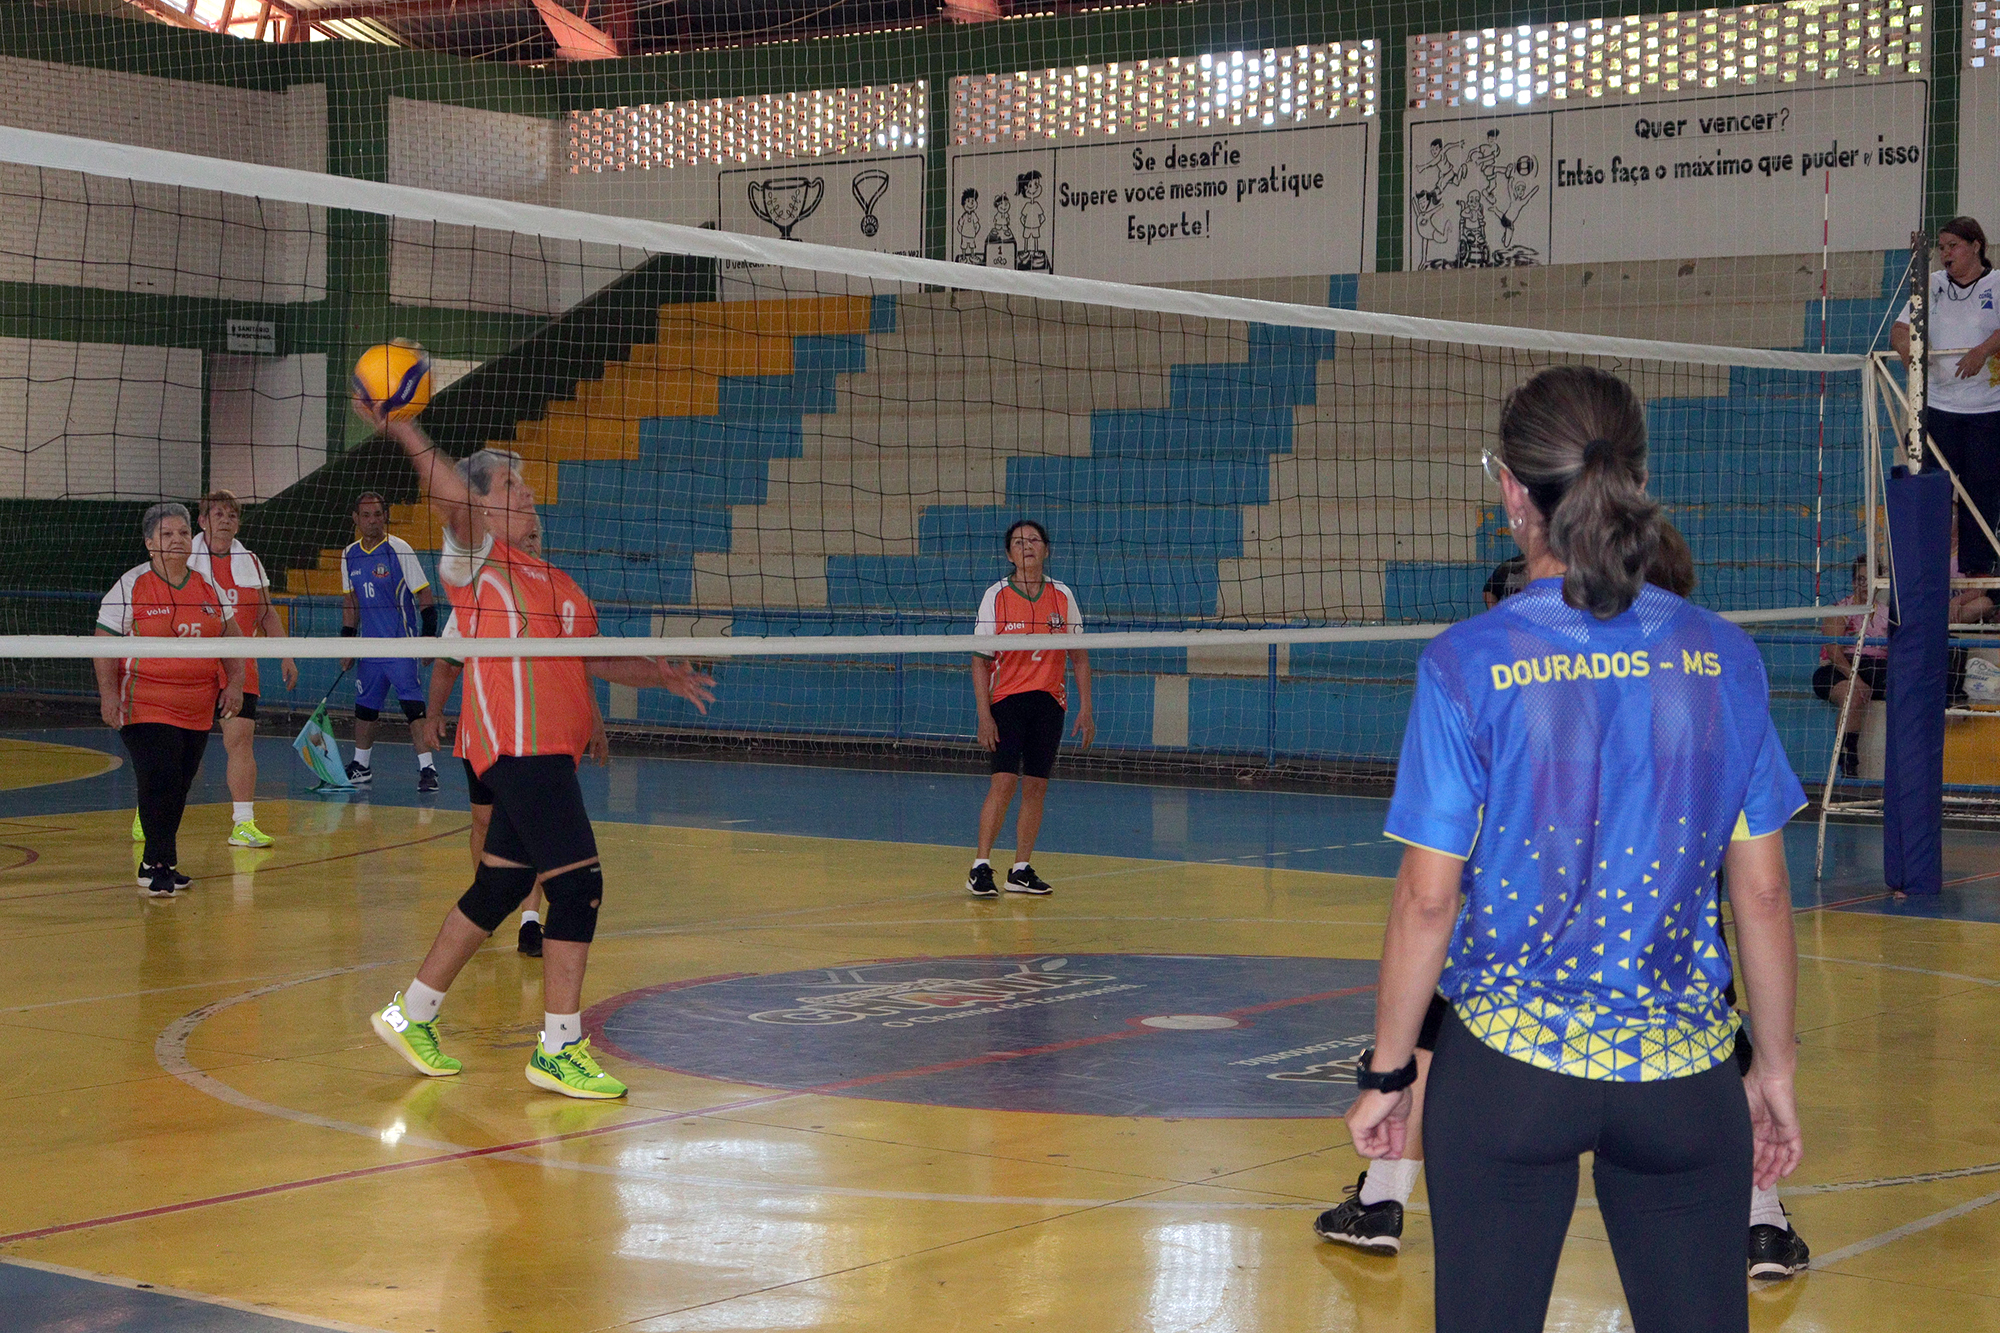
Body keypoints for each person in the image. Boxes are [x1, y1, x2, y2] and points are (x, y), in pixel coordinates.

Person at [1343, 366, 1804, 1333]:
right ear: (1636, 478)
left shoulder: (1467, 660)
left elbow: (1427, 900)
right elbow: (1761, 895)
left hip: (1507, 1071)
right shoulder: (1726, 655)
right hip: (1685, 1075)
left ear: (1512, 491)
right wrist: (1774, 1071)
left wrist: (1389, 1074)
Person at [362, 409, 714, 1099]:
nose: (527, 494)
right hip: (517, 750)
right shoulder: (478, 567)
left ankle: (412, 1011)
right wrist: (403, 427)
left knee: (499, 888)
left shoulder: (557, 581)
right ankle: (559, 1047)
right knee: (578, 888)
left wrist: (662, 674)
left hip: (552, 753)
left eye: (525, 487)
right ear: (480, 507)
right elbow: (451, 496)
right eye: (510, 487)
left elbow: (594, 658)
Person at [425, 528, 611, 960]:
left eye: (536, 536)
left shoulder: (556, 594)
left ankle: (530, 920)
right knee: (484, 824)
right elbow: (446, 665)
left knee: (538, 836)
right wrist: (433, 714)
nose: (531, 543)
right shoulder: (478, 596)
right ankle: (484, 913)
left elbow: (581, 666)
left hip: (540, 743)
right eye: (522, 536)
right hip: (486, 736)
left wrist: (596, 723)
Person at [95, 503, 248, 898]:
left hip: (197, 705)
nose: (177, 540)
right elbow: (103, 645)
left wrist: (235, 683)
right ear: (150, 543)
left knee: (179, 783)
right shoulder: (131, 585)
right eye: (167, 534)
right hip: (145, 702)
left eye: (182, 532)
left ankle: (155, 861)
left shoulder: (207, 587)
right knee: (159, 777)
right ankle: (161, 865)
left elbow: (232, 638)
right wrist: (108, 694)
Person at [966, 520, 1094, 899]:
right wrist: (984, 715)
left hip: (1050, 703)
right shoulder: (996, 595)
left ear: (1046, 549)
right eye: (1019, 542)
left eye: (1034, 540)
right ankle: (980, 866)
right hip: (1007, 701)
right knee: (1004, 781)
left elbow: (1079, 657)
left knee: (1036, 786)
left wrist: (1086, 708)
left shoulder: (1062, 595)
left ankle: (1020, 870)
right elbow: (980, 661)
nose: (1027, 547)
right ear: (1009, 554)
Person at [185, 489, 298, 848]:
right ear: (202, 521)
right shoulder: (185, 559)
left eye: (232, 515)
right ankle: (149, 811)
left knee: (240, 741)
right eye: (218, 514)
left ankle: (243, 824)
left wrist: (286, 655)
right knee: (179, 748)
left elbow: (266, 614)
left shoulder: (249, 560)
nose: (226, 520)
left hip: (239, 663)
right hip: (194, 664)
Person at [1892, 217, 2000, 574]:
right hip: (1938, 406)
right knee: (1932, 487)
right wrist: (1910, 355)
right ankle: (1928, 567)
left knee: (1982, 490)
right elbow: (1900, 329)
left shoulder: (1997, 283)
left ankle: (1978, 569)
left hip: (1987, 408)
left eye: (1953, 245)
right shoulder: (1933, 285)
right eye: (1941, 247)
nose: (1945, 253)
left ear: (1976, 246)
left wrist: (1982, 350)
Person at [339, 491, 439, 790]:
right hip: (369, 649)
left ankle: (428, 770)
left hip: (400, 645)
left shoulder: (399, 549)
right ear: (356, 519)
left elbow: (425, 594)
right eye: (366, 515)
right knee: (364, 708)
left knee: (413, 707)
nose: (372, 520)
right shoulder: (349, 554)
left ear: (385, 517)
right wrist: (346, 645)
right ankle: (361, 766)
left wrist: (428, 639)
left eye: (377, 515)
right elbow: (351, 603)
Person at [1816, 556, 1888, 778]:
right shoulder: (1841, 610)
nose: (1864, 586)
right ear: (1853, 582)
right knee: (1851, 695)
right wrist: (1855, 678)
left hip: (1877, 669)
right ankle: (1848, 765)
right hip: (1840, 668)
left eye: (1870, 580)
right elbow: (1834, 651)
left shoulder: (1888, 613)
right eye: (1860, 580)